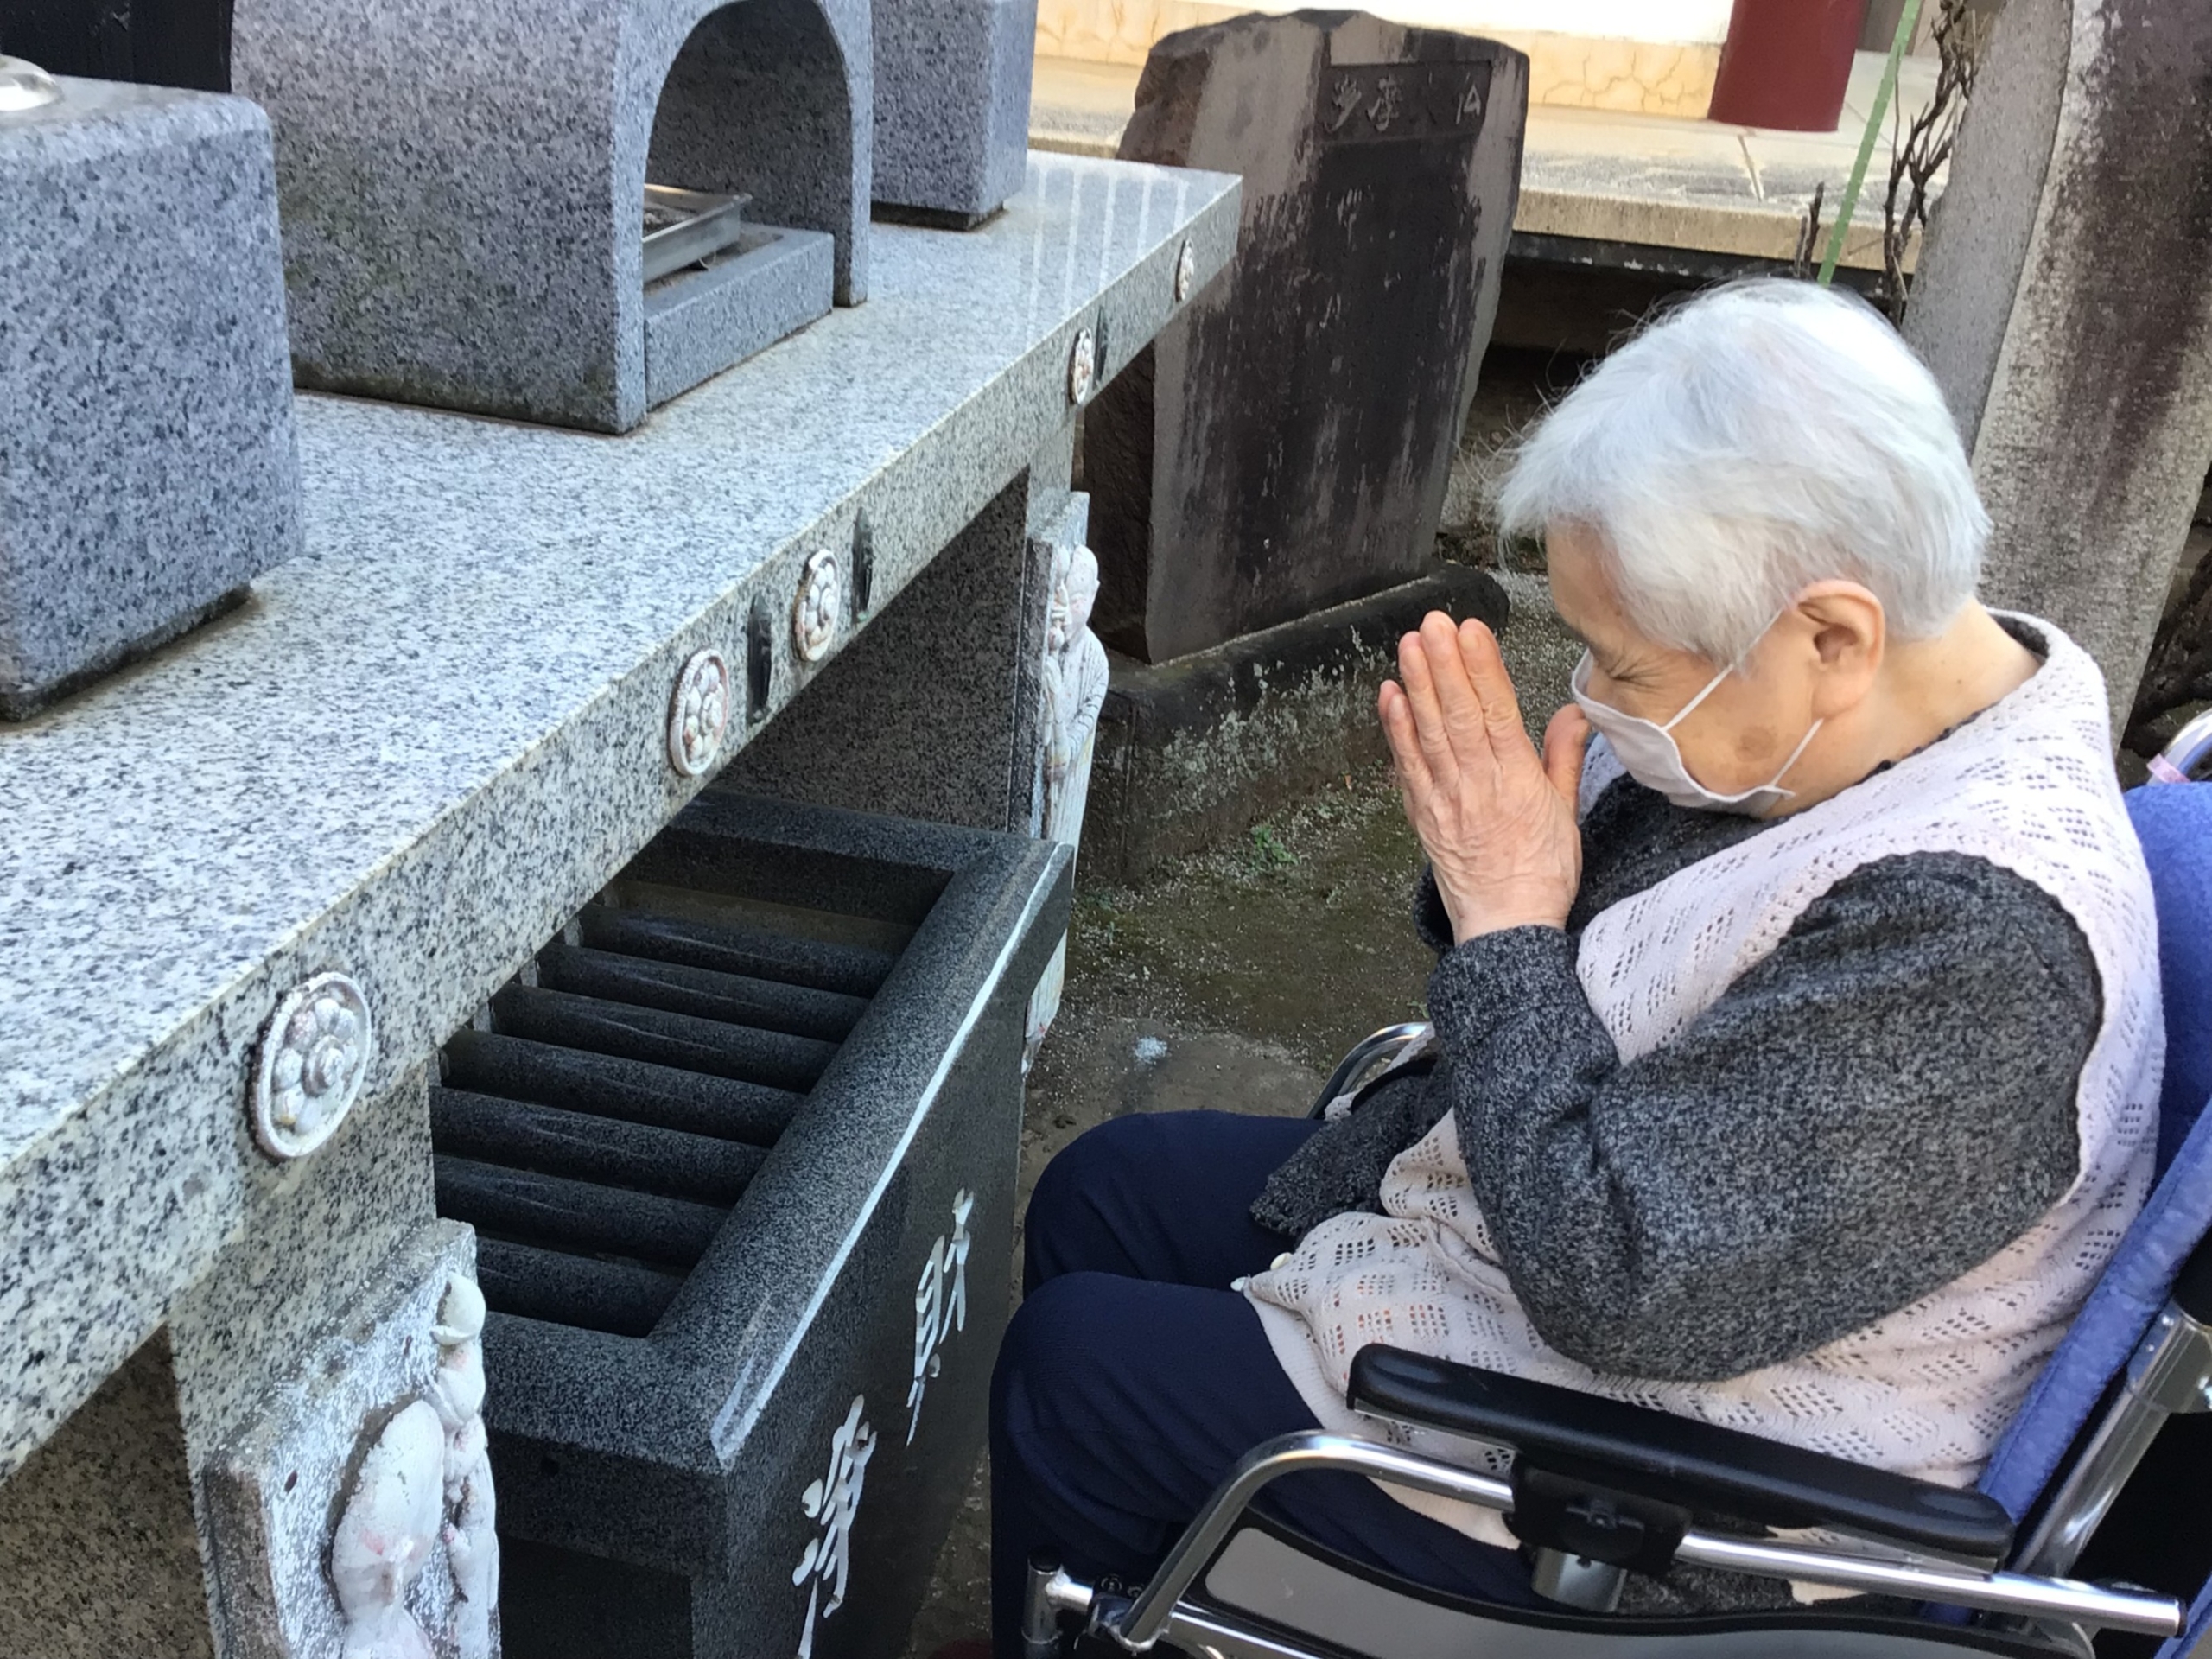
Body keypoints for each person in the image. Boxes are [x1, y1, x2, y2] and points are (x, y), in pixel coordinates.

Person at [984, 279, 2162, 1651]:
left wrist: (1503, 918)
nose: (1595, 705)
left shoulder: (1978, 957)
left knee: (1072, 1379)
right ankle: (1134, 1602)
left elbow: (1618, 1284)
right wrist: (1505, 867)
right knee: (1105, 1192)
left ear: (1833, 635)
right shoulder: (1869, 714)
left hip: (1700, 1492)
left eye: (1629, 669)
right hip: (1567, 1231)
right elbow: (1597, 951)